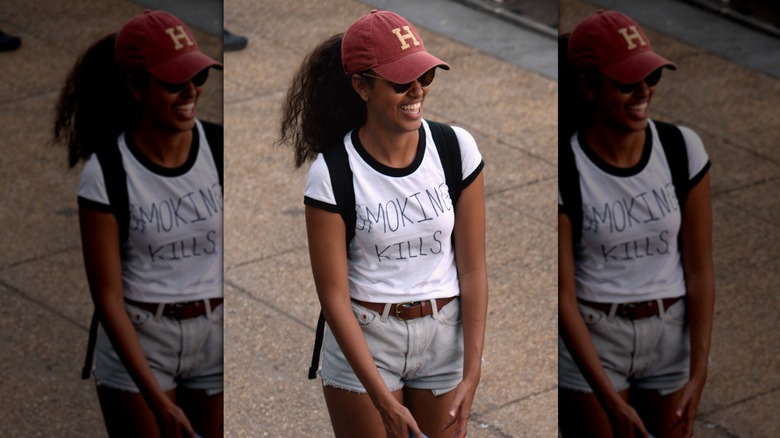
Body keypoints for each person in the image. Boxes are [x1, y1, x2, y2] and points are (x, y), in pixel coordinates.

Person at [278, 10, 488, 438]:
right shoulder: (333, 171)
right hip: (368, 340)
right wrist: (381, 400)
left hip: (445, 334)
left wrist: (472, 372)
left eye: (425, 77)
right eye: (400, 82)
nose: (416, 91)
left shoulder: (455, 148)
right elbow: (333, 297)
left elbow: (473, 268)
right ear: (362, 87)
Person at [53, 10, 223, 438]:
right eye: (173, 82)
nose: (190, 91)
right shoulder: (107, 170)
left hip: (215, 335)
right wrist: (156, 401)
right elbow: (107, 298)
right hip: (142, 340)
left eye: (198, 77)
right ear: (134, 86)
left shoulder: (219, 149)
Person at [558, 10, 714, 438]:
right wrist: (609, 400)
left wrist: (698, 374)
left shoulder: (683, 149)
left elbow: (700, 269)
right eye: (628, 82)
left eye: (652, 76)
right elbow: (562, 295)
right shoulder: (567, 168)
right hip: (595, 339)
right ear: (589, 87)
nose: (644, 90)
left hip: (671, 336)